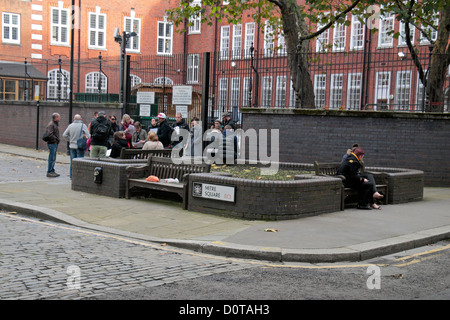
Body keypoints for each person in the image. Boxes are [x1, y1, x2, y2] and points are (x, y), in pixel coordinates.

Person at [63, 114, 90, 179]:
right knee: (80, 162)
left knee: (72, 162)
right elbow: (88, 136)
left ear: (74, 119)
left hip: (72, 146)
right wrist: (84, 138)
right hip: (80, 146)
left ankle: (72, 176)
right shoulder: (83, 125)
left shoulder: (70, 126)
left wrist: (70, 140)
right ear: (80, 119)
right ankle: (79, 177)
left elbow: (64, 135)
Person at [45, 113, 61, 177]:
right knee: (52, 157)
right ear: (56, 118)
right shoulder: (51, 125)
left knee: (53, 157)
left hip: (54, 143)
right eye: (59, 117)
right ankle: (50, 171)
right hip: (52, 143)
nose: (60, 118)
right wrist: (55, 140)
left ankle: (52, 170)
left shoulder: (54, 124)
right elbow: (50, 134)